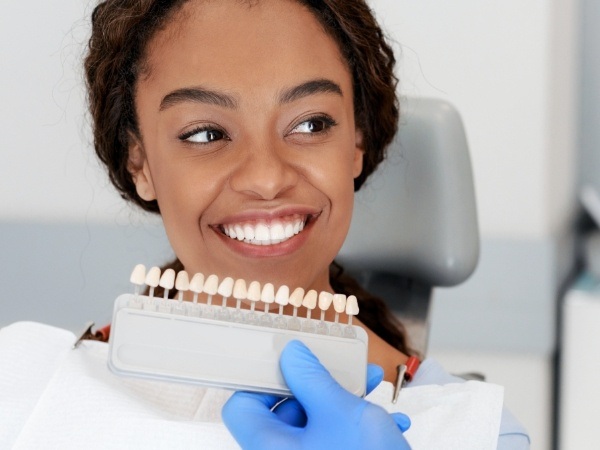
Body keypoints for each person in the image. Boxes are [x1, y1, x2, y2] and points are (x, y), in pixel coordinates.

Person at [84, 0, 530, 448]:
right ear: (139, 162)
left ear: (356, 141)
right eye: (206, 134)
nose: (266, 179)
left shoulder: (477, 433)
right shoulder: (34, 385)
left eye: (312, 124)